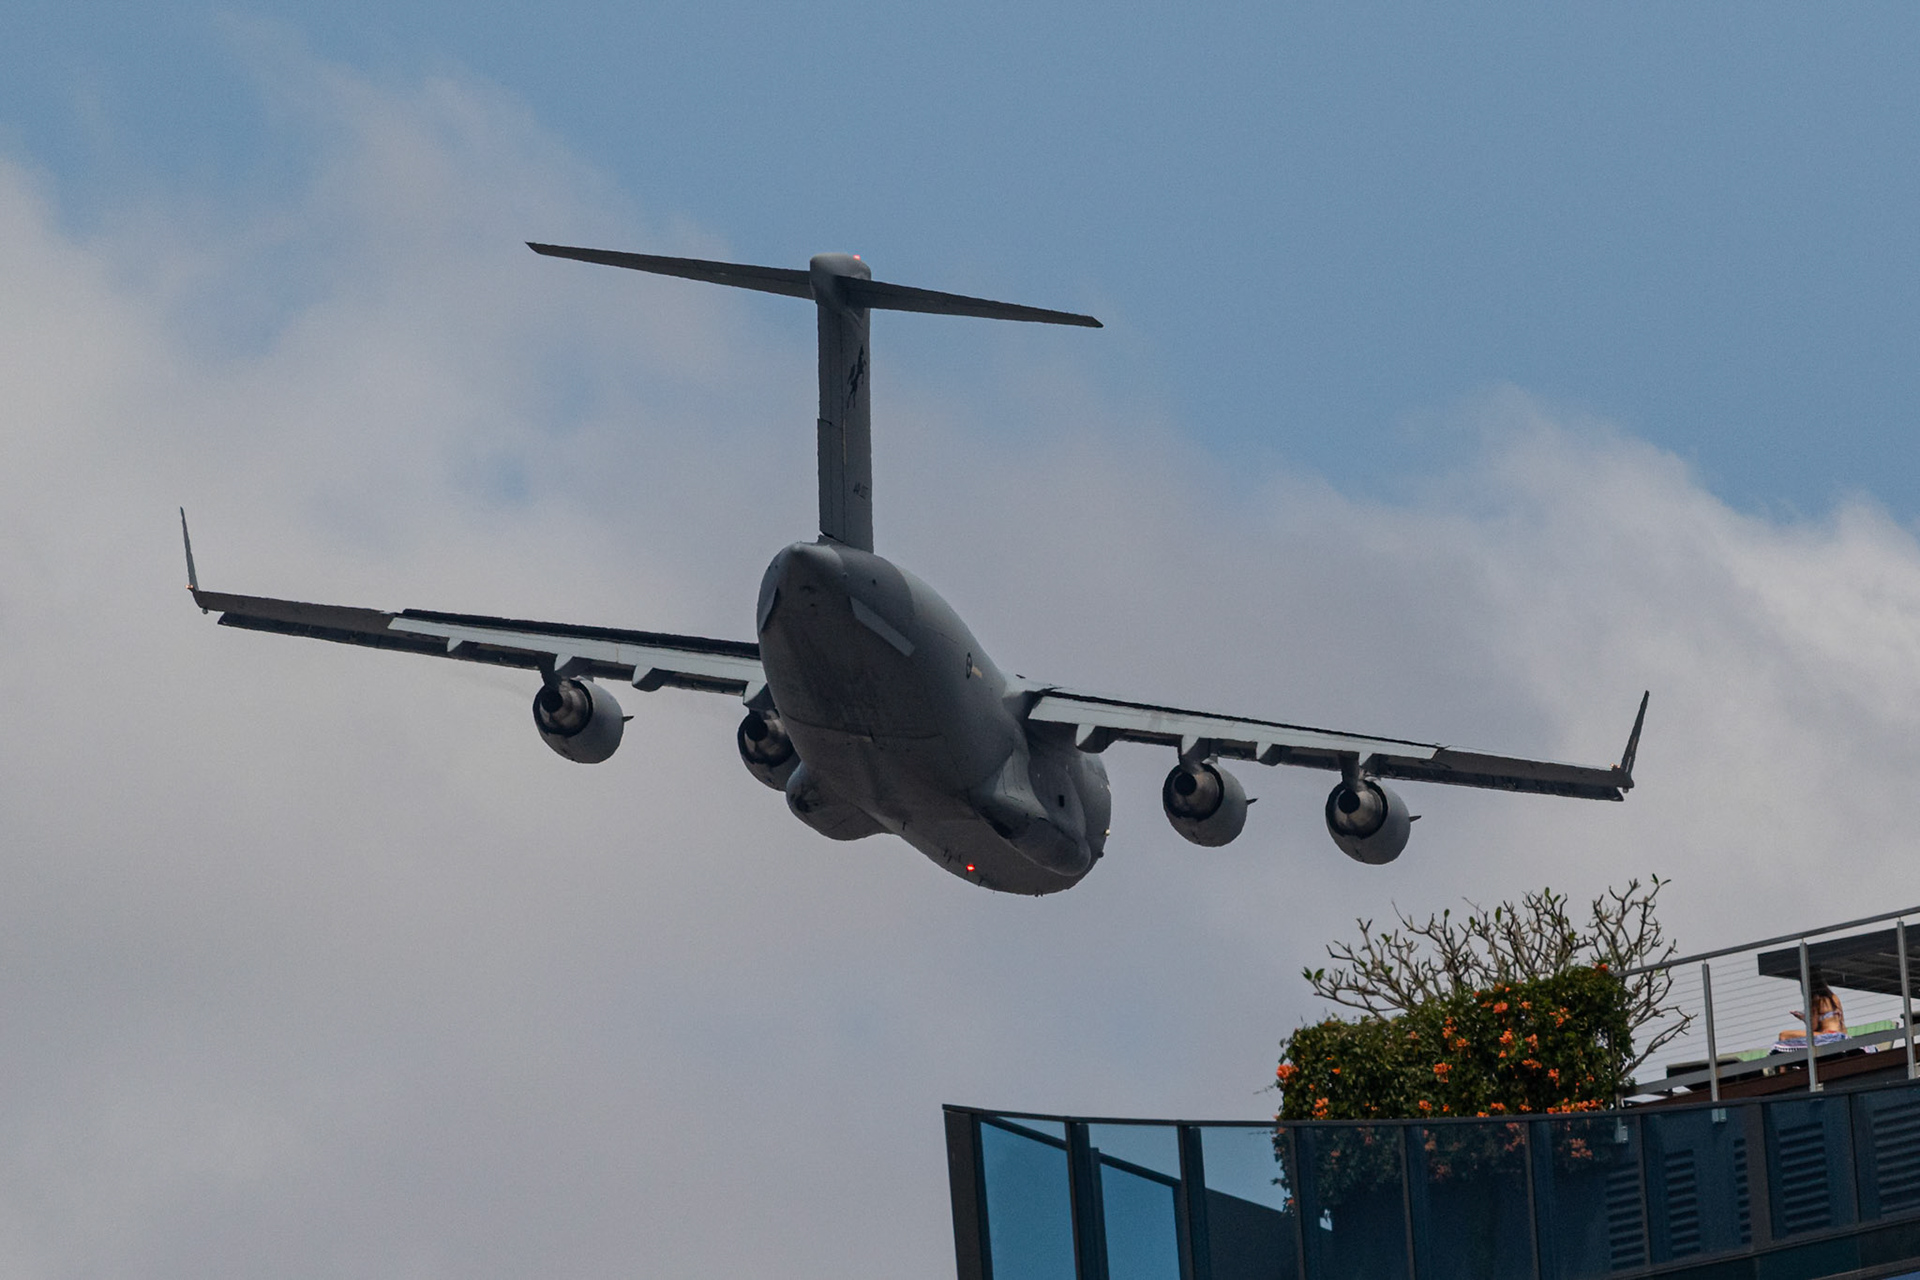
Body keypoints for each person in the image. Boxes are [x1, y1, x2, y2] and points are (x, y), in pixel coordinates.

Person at [1773, 978, 1847, 1054]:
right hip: (1840, 1035)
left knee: (1783, 1035)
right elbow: (1842, 1021)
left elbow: (1813, 1027)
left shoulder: (1816, 999)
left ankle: (1784, 1066)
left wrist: (1803, 1018)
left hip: (1828, 1036)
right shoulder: (1834, 998)